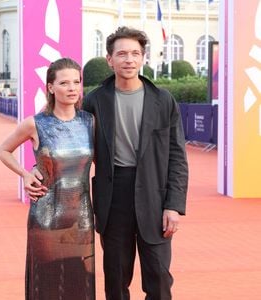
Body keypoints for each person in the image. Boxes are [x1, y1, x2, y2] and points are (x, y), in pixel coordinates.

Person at [82, 26, 188, 299]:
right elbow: (72, 144)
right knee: (116, 278)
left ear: (143, 58)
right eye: (121, 54)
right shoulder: (94, 100)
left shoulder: (163, 100)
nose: (128, 59)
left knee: (159, 276)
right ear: (109, 59)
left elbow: (177, 156)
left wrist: (173, 206)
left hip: (154, 195)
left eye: (135, 53)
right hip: (113, 195)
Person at [0, 58, 95, 300]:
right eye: (64, 83)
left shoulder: (90, 121)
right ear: (50, 87)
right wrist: (26, 174)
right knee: (48, 284)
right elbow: (3, 150)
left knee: (80, 281)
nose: (72, 88)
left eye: (76, 82)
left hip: (81, 217)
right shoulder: (35, 124)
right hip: (47, 216)